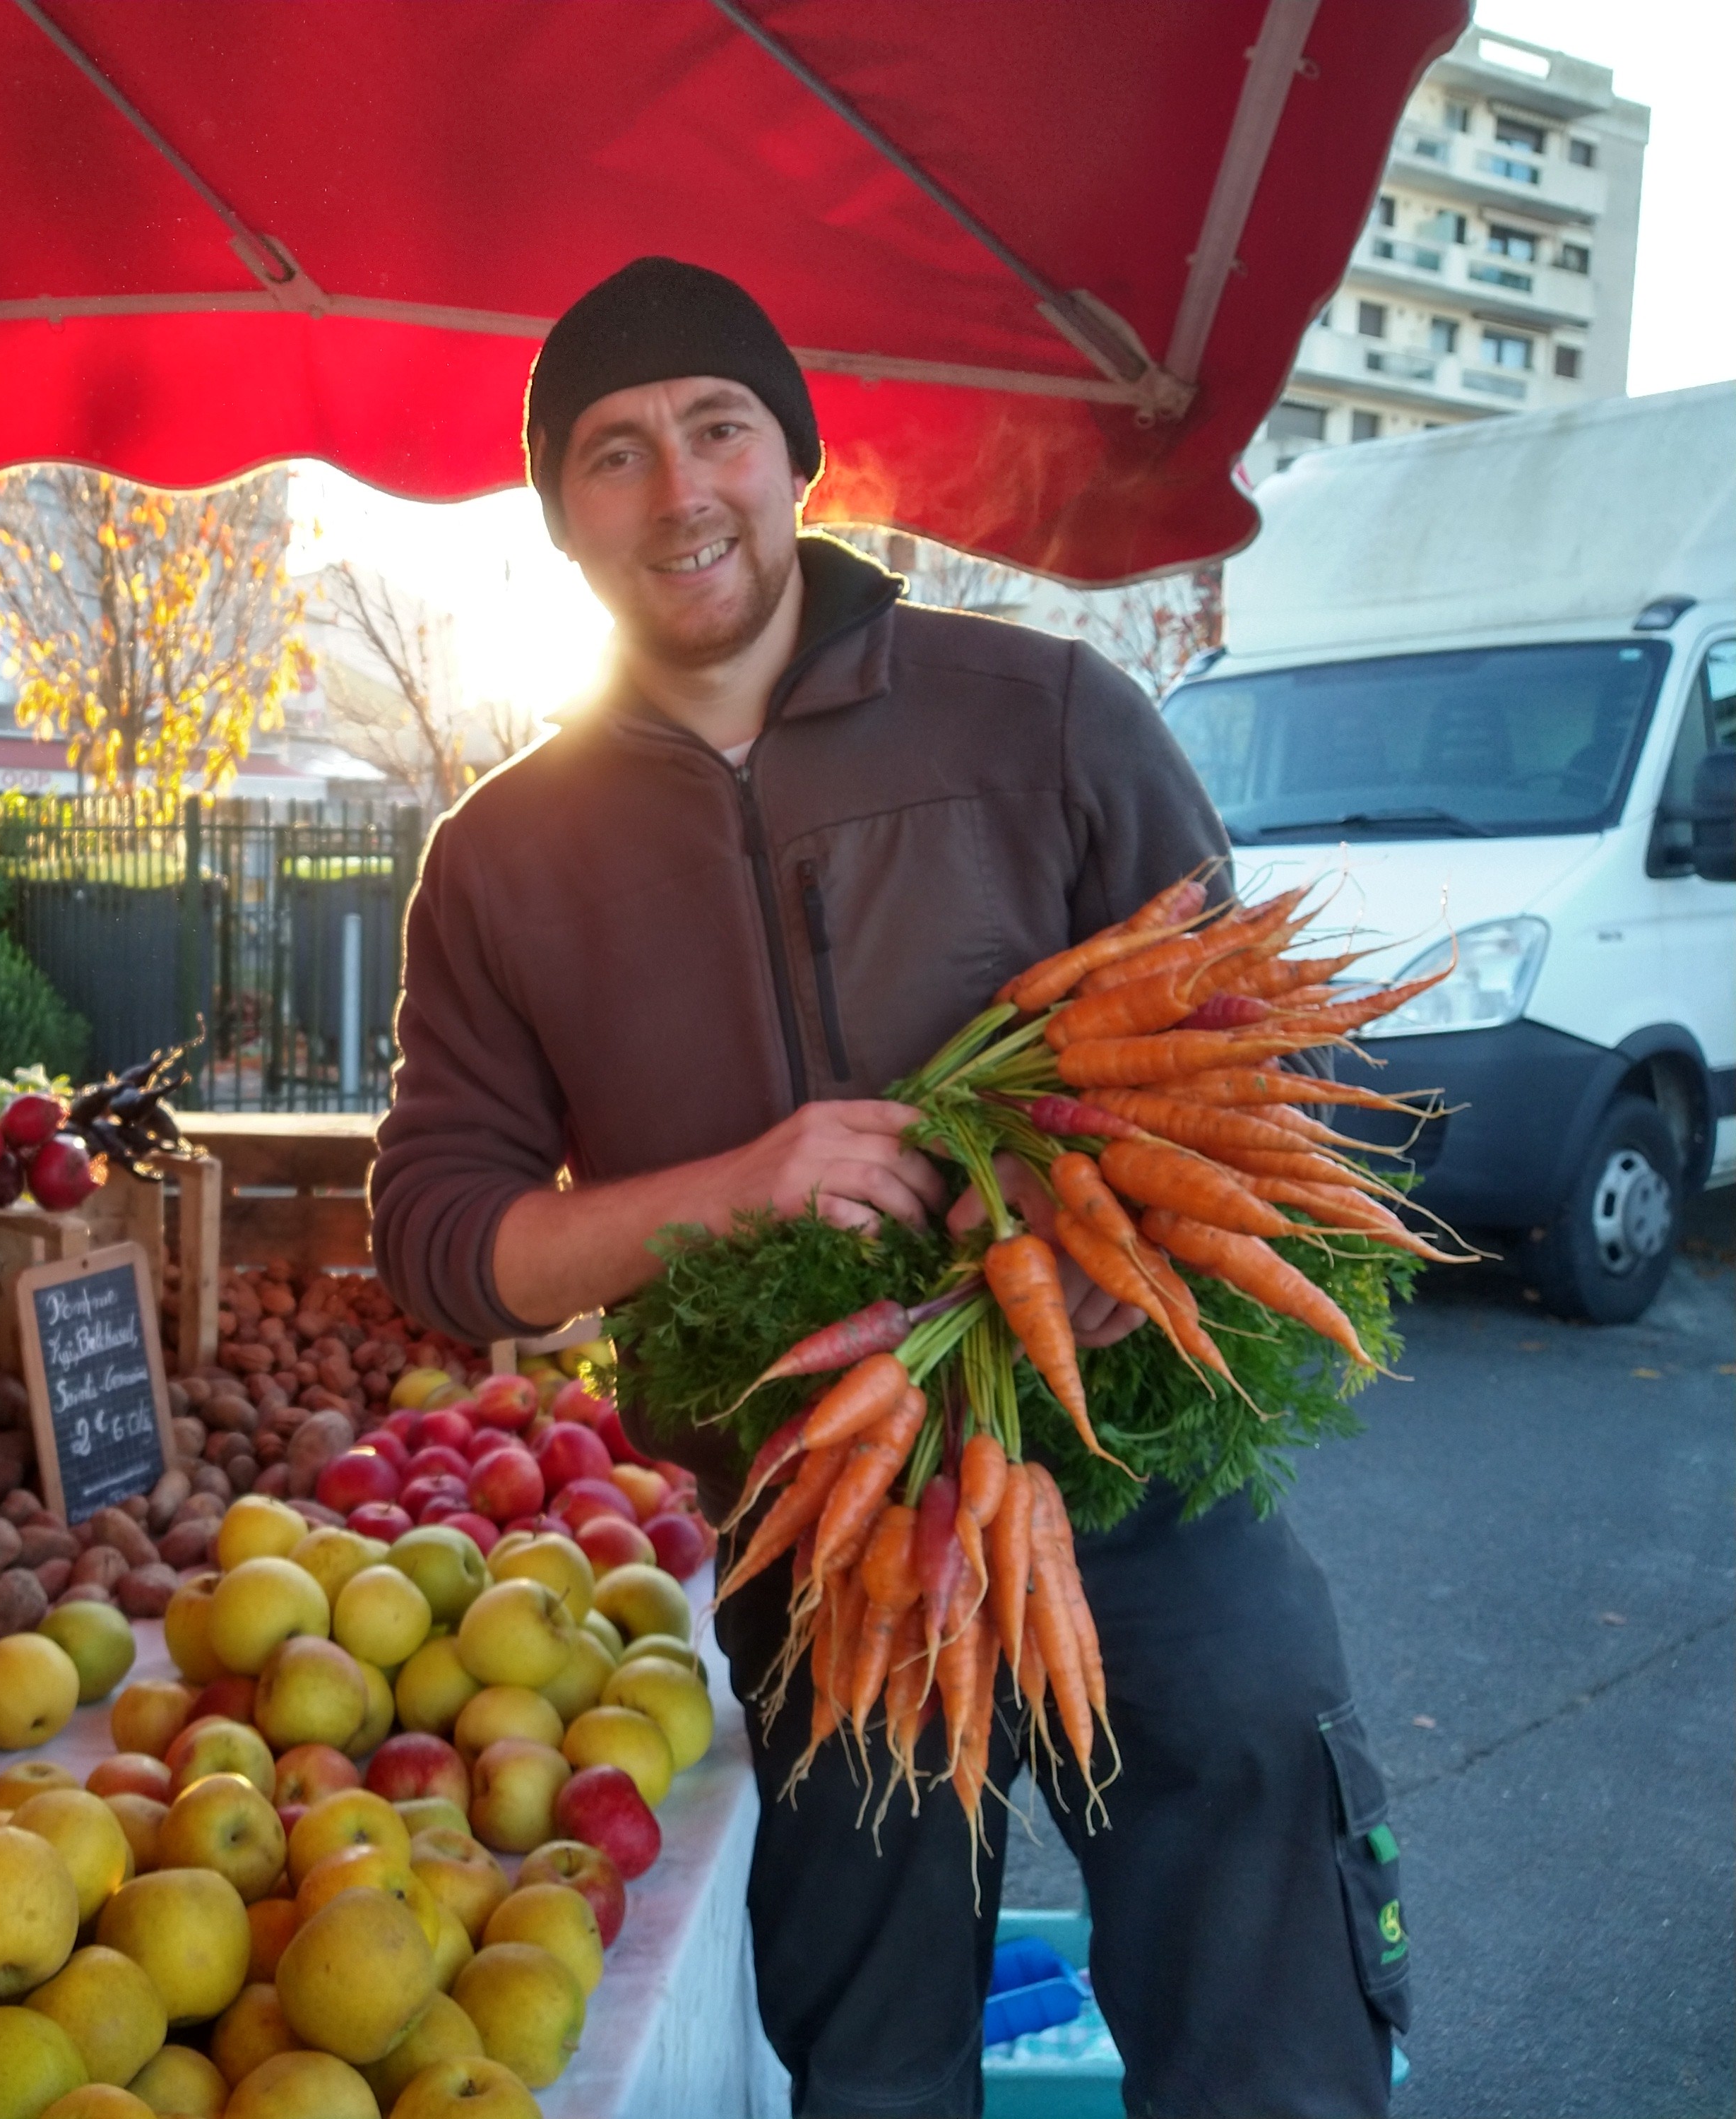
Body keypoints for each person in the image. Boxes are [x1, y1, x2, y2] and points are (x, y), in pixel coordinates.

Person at [369, 257, 1408, 2118]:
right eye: (613, 453)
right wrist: (733, 1189)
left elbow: (1245, 1045)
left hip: (1136, 1469)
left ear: (798, 460)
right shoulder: (502, 860)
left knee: (1267, 2002)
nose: (678, 489)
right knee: (873, 2060)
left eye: (717, 429)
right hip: (822, 1513)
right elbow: (447, 1238)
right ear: (560, 518)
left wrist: (1119, 1237)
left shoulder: (1046, 715)